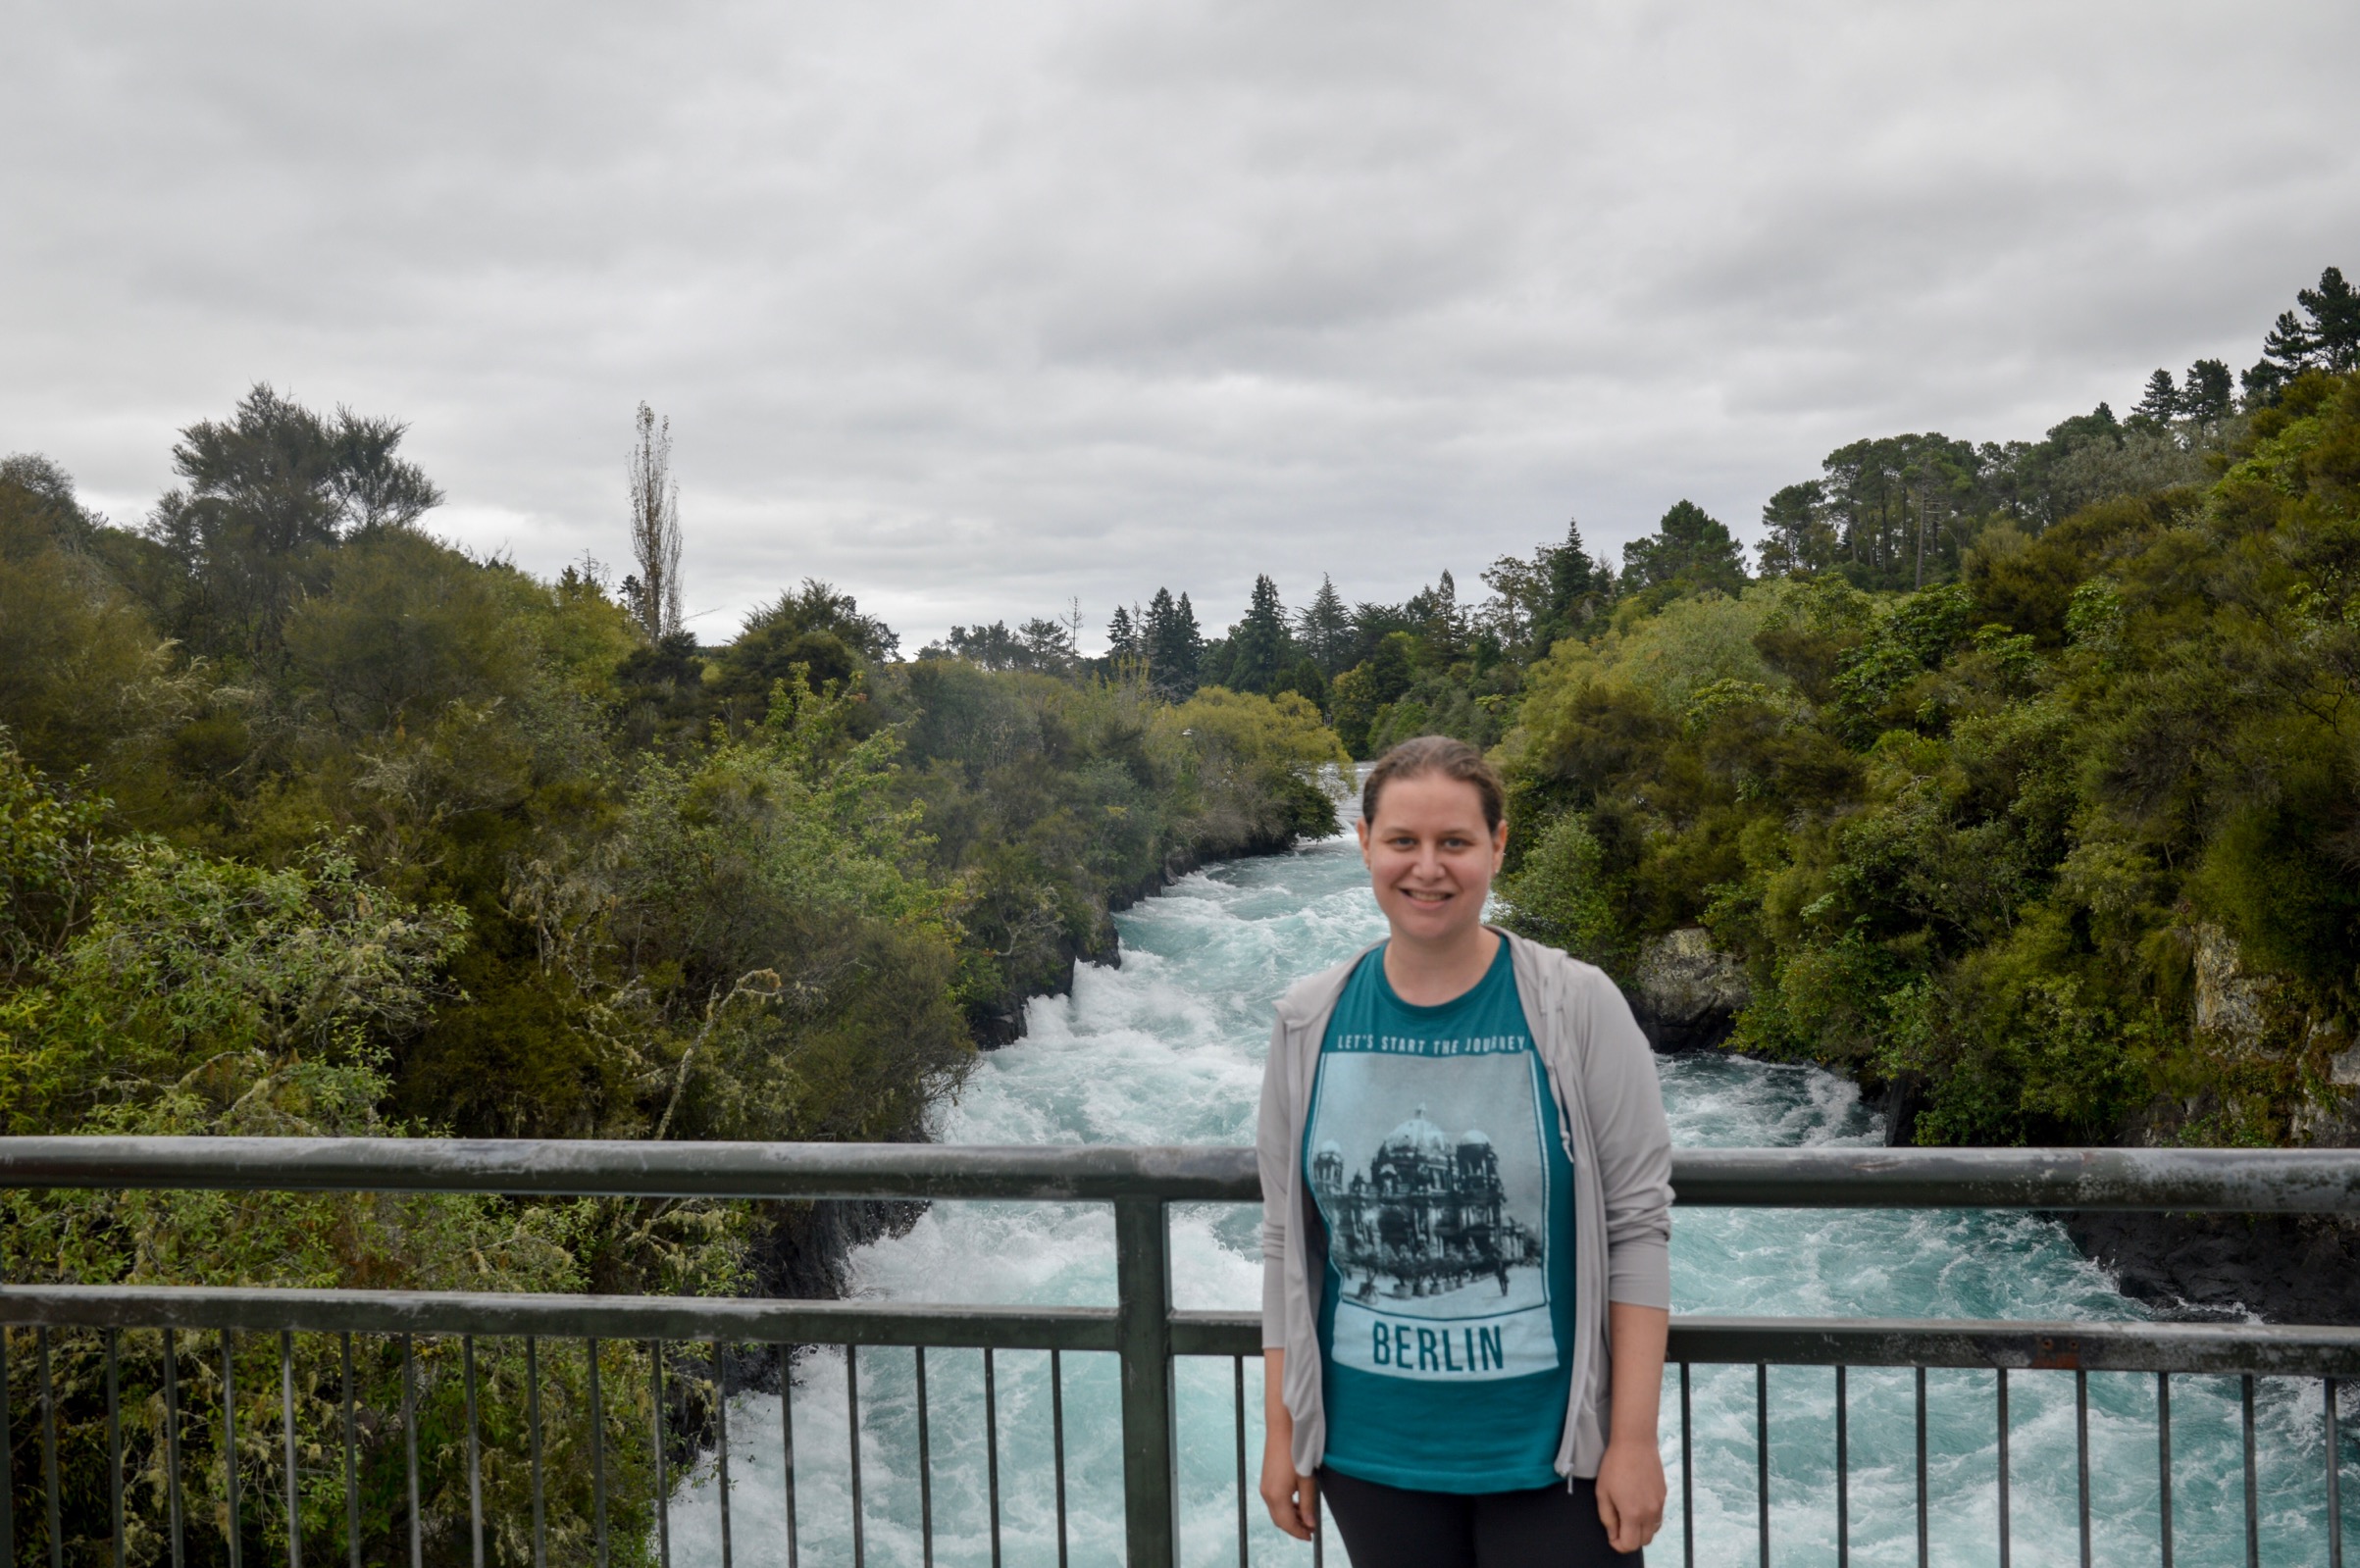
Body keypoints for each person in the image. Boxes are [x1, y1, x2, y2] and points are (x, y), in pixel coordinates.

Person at [1257, 735, 1673, 1566]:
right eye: (1403, 841)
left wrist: (1632, 1439)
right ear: (1365, 844)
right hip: (1368, 1455)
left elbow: (1636, 1228)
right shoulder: (1308, 1020)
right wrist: (1284, 1430)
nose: (1428, 868)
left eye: (1455, 842)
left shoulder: (1577, 1005)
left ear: (1498, 846)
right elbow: (1285, 1238)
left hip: (1553, 1461)